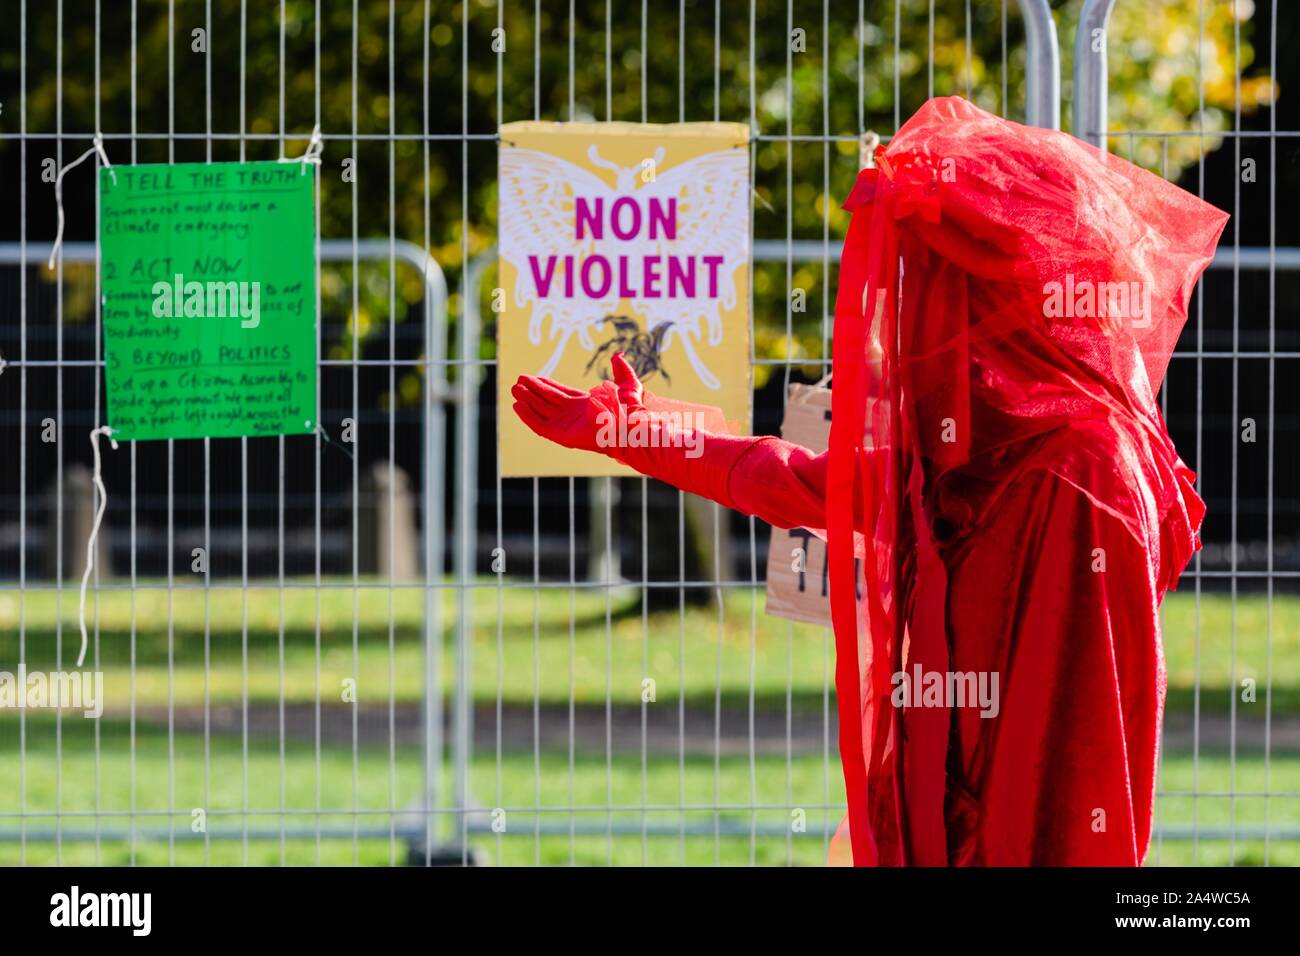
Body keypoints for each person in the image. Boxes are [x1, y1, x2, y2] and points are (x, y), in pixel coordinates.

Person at [510, 97, 1229, 865]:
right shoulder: (997, 437)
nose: (902, 310)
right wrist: (649, 434)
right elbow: (817, 484)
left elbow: (1071, 764)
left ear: (995, 293)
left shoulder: (1079, 472)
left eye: (927, 276)